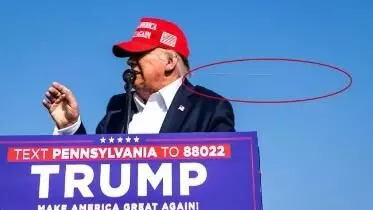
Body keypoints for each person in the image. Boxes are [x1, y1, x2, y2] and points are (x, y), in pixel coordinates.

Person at [42, 17, 235, 134]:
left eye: (140, 54)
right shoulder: (117, 108)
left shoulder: (210, 107)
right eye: (130, 55)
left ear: (170, 62)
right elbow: (93, 169)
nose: (130, 61)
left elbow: (226, 174)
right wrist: (70, 126)